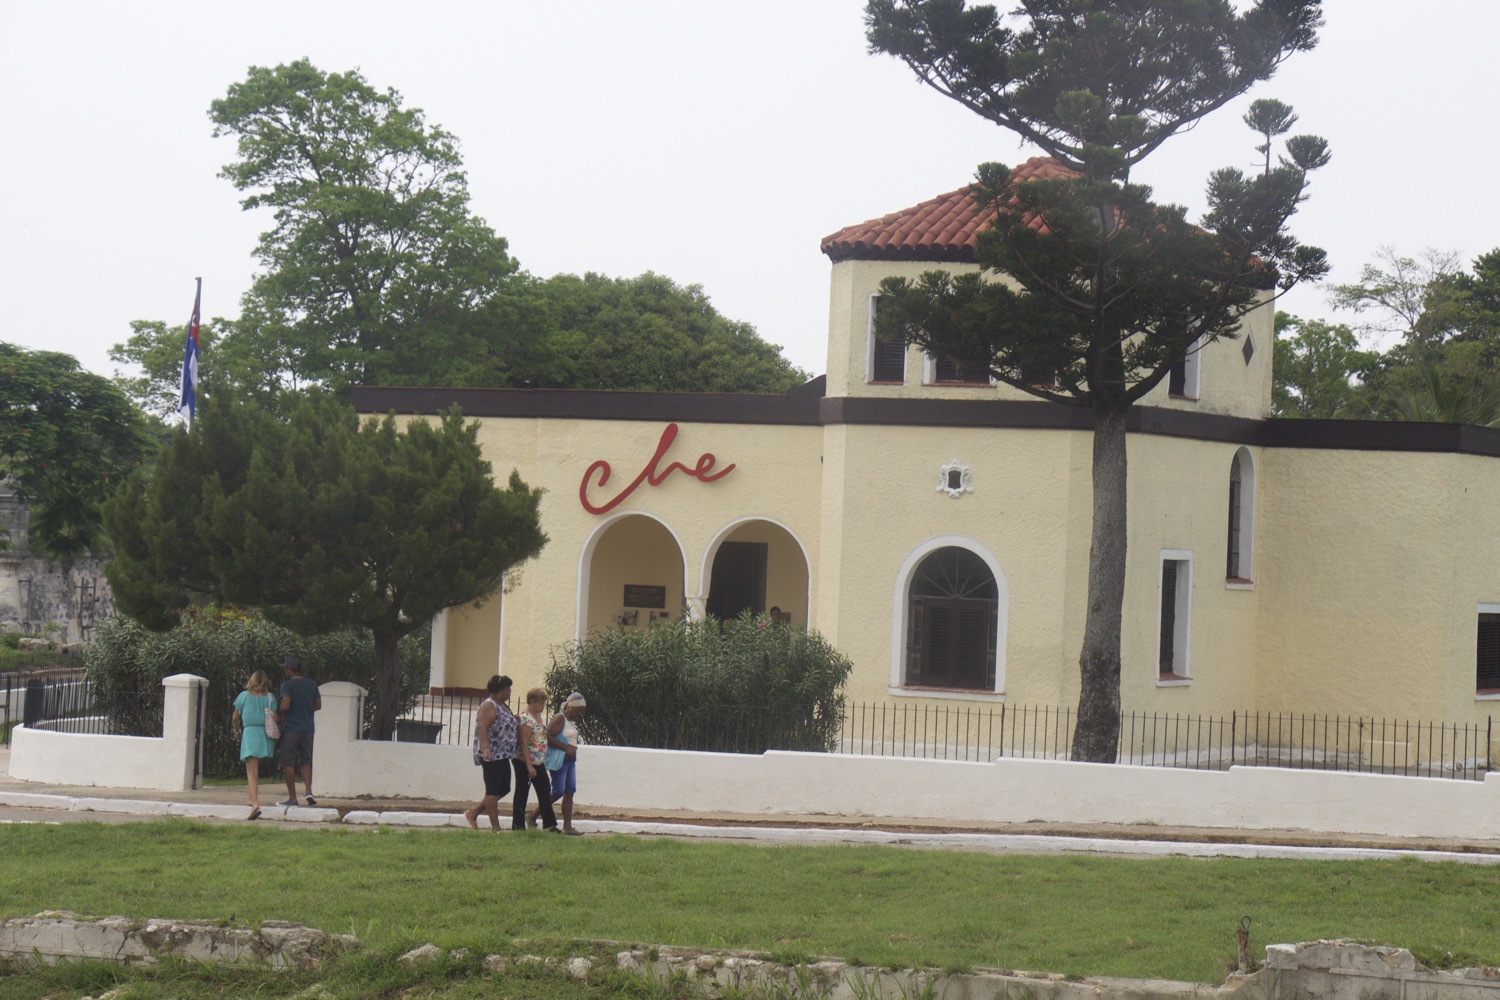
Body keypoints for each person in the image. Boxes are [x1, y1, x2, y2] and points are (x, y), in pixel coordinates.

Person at [464, 675, 518, 831]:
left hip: (504, 754)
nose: (510, 691)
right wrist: (486, 747)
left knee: (504, 788)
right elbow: (482, 727)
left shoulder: (503, 705)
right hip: (492, 754)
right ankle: (496, 827)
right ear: (499, 690)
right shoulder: (489, 705)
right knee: (492, 790)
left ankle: (473, 813)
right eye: (507, 689)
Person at [528, 691, 586, 835]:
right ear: (571, 707)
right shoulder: (560, 718)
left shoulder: (571, 721)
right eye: (579, 710)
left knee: (570, 791)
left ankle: (567, 827)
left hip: (570, 761)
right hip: (560, 761)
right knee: (558, 791)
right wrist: (565, 748)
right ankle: (533, 816)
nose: (580, 714)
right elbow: (548, 736)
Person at [231, 670, 277, 821]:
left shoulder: (243, 696)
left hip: (250, 733)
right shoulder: (270, 697)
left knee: (251, 771)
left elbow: (235, 718)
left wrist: (237, 731)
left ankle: (255, 803)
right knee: (255, 766)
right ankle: (251, 798)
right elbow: (276, 717)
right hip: (265, 734)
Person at [512, 687, 558, 832]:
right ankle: (518, 825)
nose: (543, 706)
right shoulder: (525, 718)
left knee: (544, 789)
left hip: (538, 760)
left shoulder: (536, 716)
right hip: (526, 761)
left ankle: (549, 824)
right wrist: (529, 766)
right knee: (522, 792)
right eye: (541, 703)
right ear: (532, 702)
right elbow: (523, 742)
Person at [276, 655, 320, 807]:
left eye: (285, 668)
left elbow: (286, 704)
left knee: (289, 762)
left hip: (292, 729)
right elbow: (318, 705)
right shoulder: (312, 684)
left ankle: (292, 798)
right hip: (308, 728)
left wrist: (278, 711)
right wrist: (306, 709)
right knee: (306, 760)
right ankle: (308, 791)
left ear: (289, 670)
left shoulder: (287, 685)